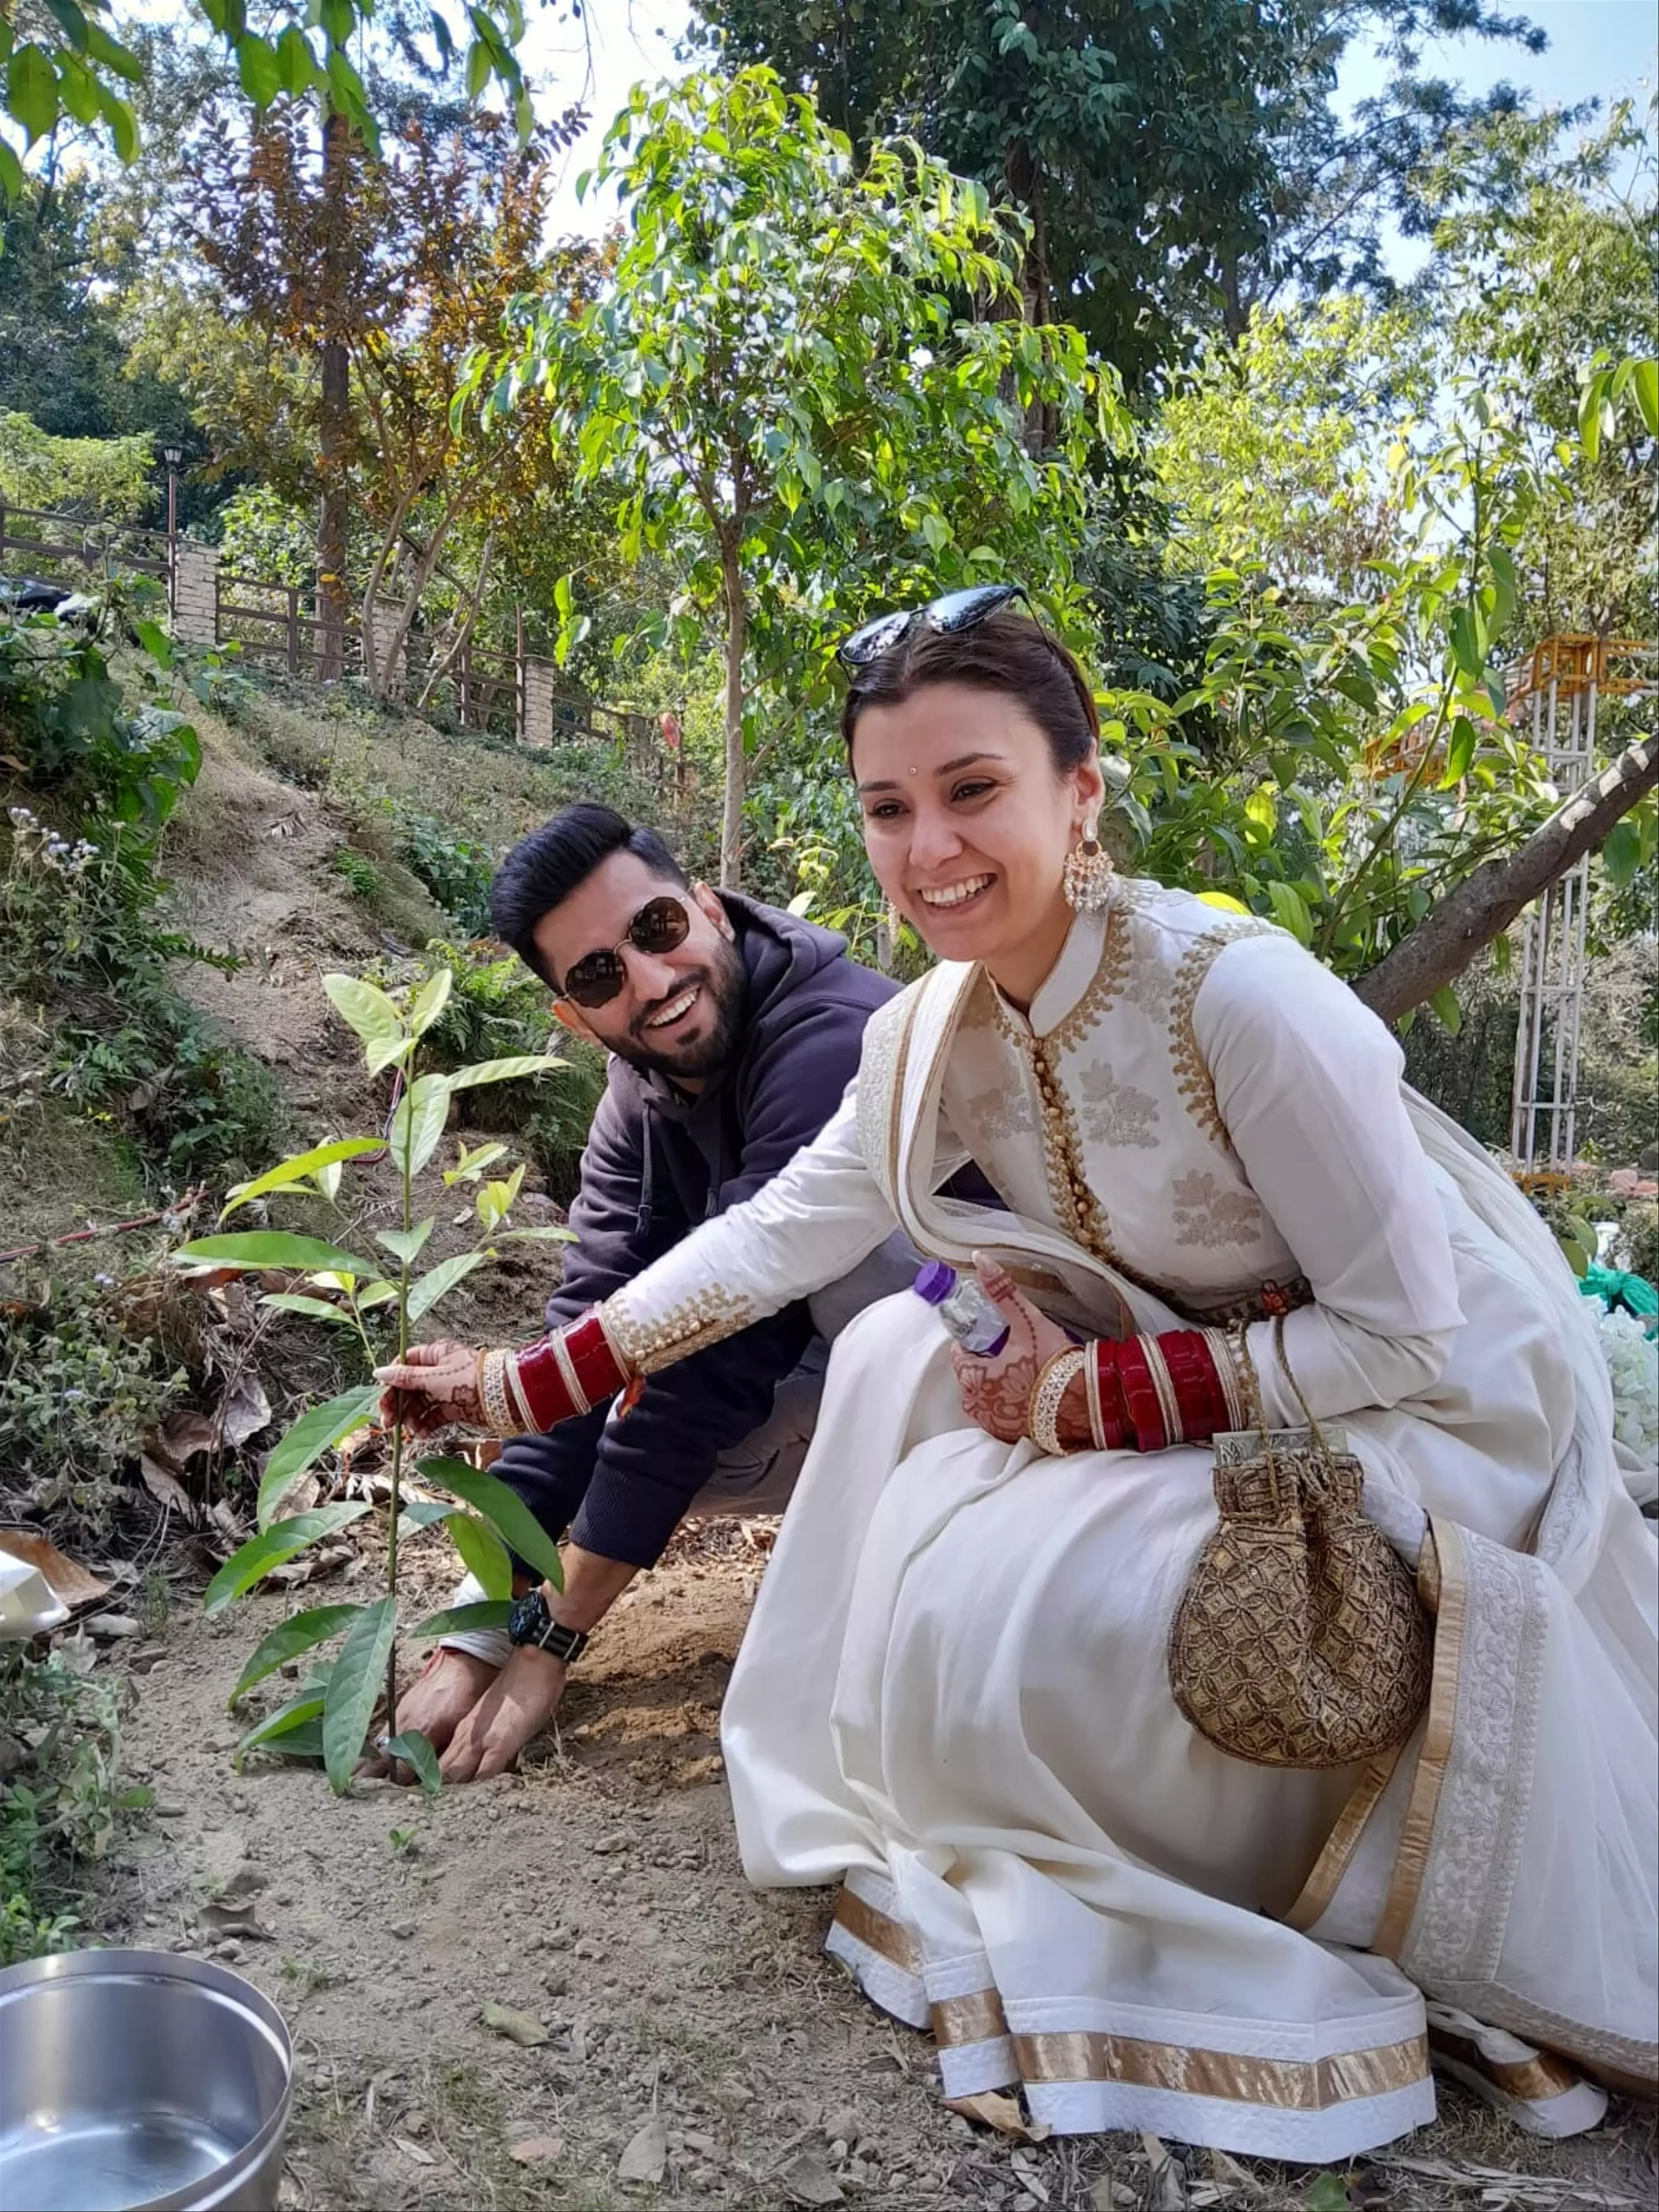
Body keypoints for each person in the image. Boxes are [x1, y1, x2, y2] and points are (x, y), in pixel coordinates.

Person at [379, 589, 1658, 2160]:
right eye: (889, 809)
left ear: (1080, 791)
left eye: (973, 791)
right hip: (1158, 1352)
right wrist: (521, 1387)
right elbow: (773, 1241)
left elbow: (1406, 1332)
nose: (931, 854)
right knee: (911, 1413)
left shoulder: (1239, 1000)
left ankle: (1231, 1858)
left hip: (1422, 1392)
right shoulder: (929, 1032)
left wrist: (1090, 1408)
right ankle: (995, 1782)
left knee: (1028, 1598)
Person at [385, 801, 920, 1783]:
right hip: (799, 1378)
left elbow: (716, 1358)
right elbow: (589, 1324)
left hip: (967, 1394)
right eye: (599, 976)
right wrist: (473, 1635)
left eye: (657, 929)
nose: (652, 982)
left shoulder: (832, 1041)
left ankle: (919, 1574)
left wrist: (551, 1640)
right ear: (572, 1016)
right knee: (585, 1381)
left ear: (707, 906)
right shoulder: (639, 1094)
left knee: (698, 1369)